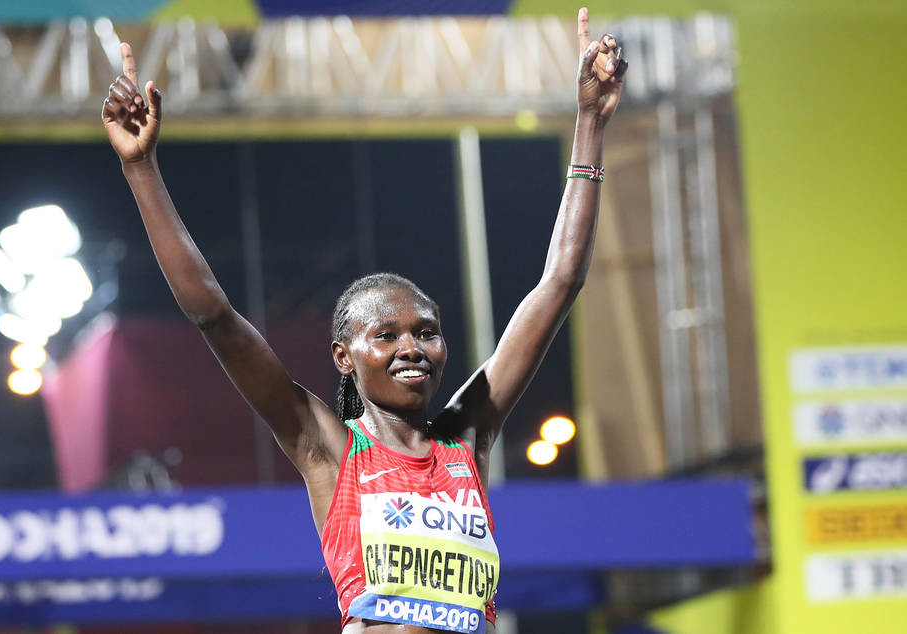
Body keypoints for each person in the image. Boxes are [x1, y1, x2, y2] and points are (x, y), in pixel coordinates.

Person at [101, 7, 626, 633]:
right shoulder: (325, 446)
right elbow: (214, 314)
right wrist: (140, 169)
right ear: (343, 357)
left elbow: (559, 284)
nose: (412, 347)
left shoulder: (466, 439)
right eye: (386, 335)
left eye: (426, 332)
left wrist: (590, 123)